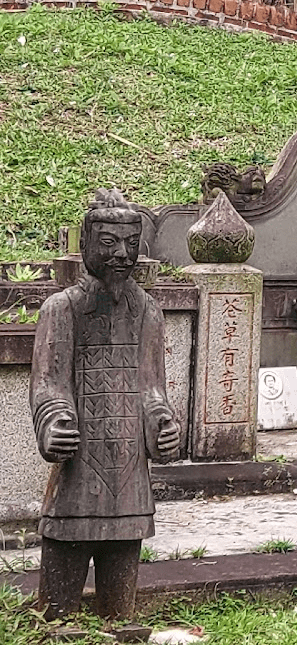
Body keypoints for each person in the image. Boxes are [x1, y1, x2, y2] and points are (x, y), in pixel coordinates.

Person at [30, 188, 180, 621]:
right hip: (80, 464)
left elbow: (153, 388)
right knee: (65, 556)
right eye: (110, 243)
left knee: (122, 574)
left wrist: (162, 423)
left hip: (129, 466)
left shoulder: (147, 310)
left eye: (131, 244)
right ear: (87, 243)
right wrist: (54, 422)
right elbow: (49, 384)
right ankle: (54, 624)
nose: (122, 254)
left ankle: (120, 623)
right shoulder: (62, 308)